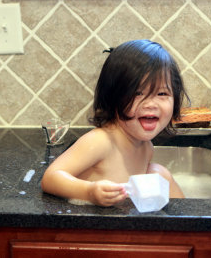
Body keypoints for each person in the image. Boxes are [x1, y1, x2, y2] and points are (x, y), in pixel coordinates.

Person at [41, 39, 188, 207]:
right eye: (137, 93)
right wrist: (90, 192)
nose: (151, 104)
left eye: (162, 93)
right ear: (113, 97)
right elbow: (50, 177)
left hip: (120, 227)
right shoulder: (101, 141)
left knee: (159, 173)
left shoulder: (146, 147)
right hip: (87, 229)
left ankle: (193, 226)